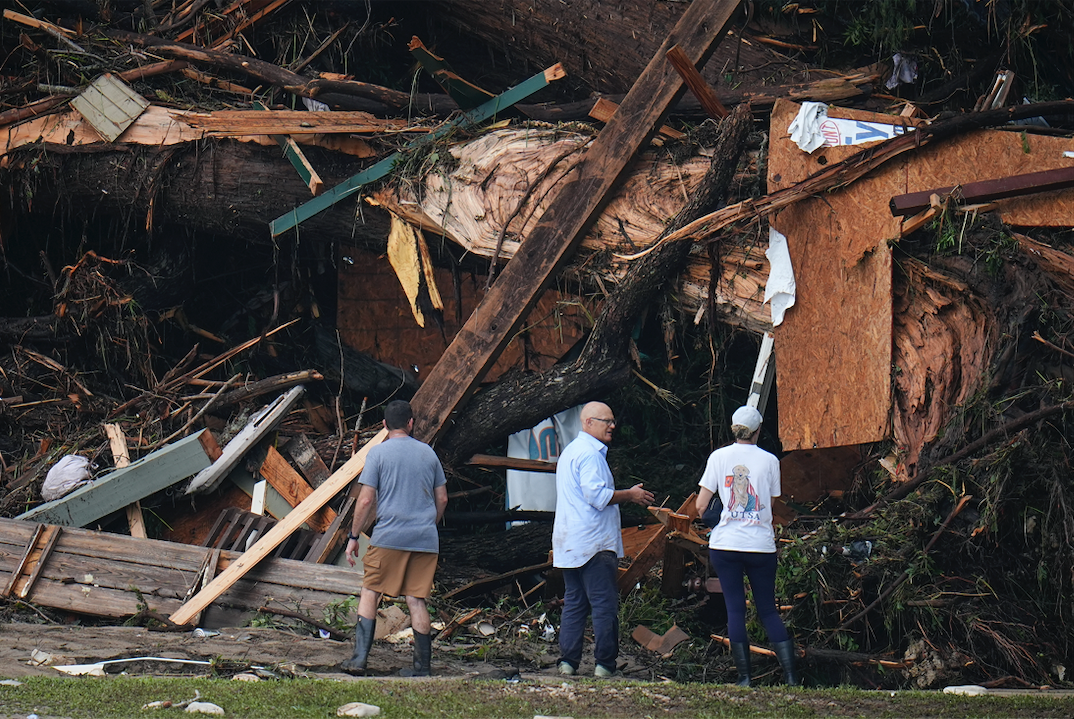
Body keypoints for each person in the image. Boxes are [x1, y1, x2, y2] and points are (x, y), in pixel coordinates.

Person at [341, 399, 448, 677]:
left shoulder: (378, 454)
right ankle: (422, 667)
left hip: (389, 536)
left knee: (370, 591)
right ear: (411, 423)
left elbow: (365, 501)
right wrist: (427, 524)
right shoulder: (429, 454)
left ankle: (359, 660)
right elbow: (443, 498)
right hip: (425, 539)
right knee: (416, 599)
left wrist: (354, 536)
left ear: (385, 425)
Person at [696, 405, 799, 686]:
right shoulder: (770, 461)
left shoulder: (718, 457)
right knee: (767, 610)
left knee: (735, 610)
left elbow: (701, 505)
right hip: (760, 546)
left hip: (726, 546)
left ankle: (745, 677)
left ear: (733, 429)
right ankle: (791, 676)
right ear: (758, 430)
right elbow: (772, 502)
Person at [553, 401, 654, 677]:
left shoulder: (571, 452)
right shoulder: (590, 455)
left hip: (570, 543)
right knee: (603, 604)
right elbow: (597, 497)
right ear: (588, 423)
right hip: (594, 543)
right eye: (605, 421)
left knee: (574, 602)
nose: (612, 426)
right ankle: (603, 666)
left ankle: (567, 663)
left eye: (612, 420)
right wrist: (630, 495)